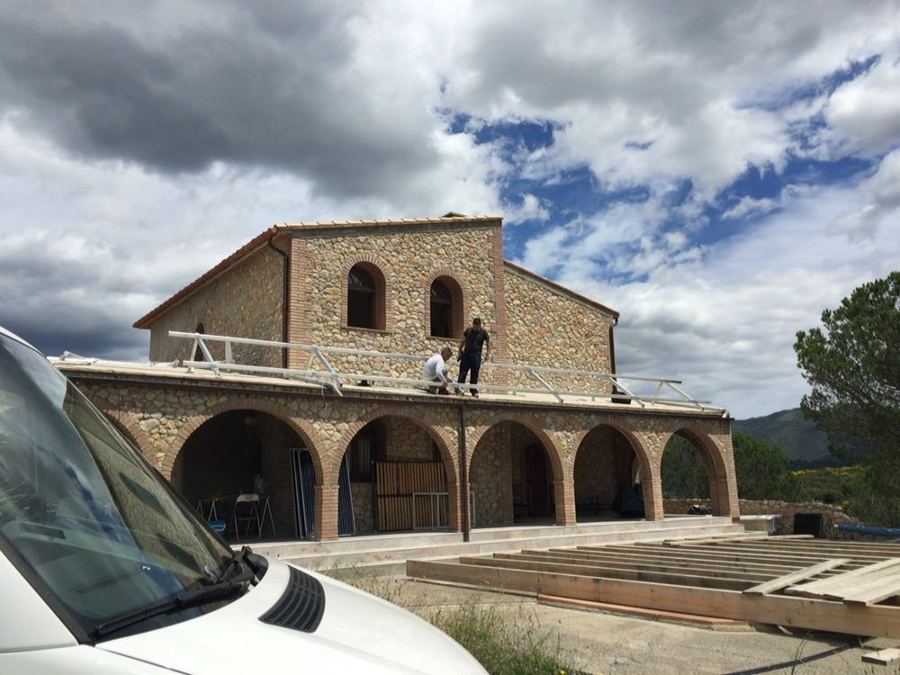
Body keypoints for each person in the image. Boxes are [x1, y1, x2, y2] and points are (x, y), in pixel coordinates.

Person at [457, 317, 490, 397]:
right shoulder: (468, 331)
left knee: (474, 374)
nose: (476, 328)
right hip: (466, 355)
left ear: (480, 325)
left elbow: (488, 343)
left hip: (476, 356)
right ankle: (459, 389)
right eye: (475, 326)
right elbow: (462, 341)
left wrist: (487, 354)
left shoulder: (483, 332)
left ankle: (473, 390)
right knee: (463, 372)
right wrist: (459, 351)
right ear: (473, 325)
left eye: (478, 326)